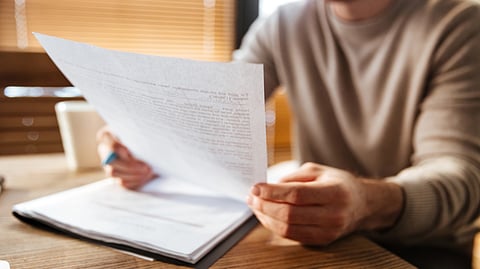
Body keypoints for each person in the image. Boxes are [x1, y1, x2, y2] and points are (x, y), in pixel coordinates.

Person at [97, 0, 480, 267]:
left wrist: (366, 202)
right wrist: (140, 139)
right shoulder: (282, 25)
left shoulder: (460, 24)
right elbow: (211, 112)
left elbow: (461, 175)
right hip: (308, 244)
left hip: (419, 250)